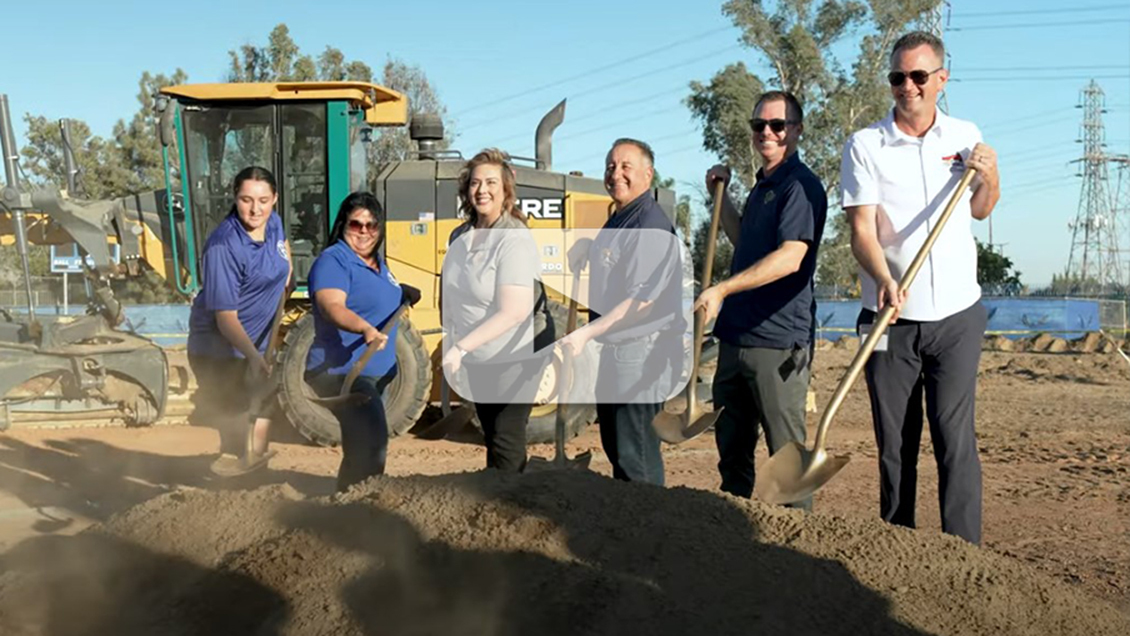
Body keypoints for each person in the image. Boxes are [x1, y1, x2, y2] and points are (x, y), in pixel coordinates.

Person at [841, 31, 1000, 544]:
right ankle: (900, 545)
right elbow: (861, 231)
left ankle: (965, 553)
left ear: (941, 80)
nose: (907, 86)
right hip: (889, 319)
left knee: (955, 440)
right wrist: (884, 278)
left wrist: (991, 176)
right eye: (897, 77)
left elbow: (980, 208)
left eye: (918, 76)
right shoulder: (866, 144)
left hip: (956, 317)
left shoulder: (965, 135)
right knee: (895, 444)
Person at [696, 90, 827, 509]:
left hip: (777, 343)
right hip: (736, 338)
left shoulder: (800, 187)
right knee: (732, 454)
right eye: (759, 126)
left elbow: (791, 258)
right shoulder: (764, 186)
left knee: (786, 459)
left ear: (797, 130)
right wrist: (722, 197)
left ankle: (797, 550)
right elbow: (743, 243)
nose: (767, 133)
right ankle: (735, 534)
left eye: (778, 125)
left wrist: (722, 289)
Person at [559, 138, 684, 486]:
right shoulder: (620, 218)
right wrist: (589, 246)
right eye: (611, 166)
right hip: (616, 352)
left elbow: (640, 302)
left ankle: (649, 531)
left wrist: (586, 333)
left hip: (638, 352)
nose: (616, 174)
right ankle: (631, 530)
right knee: (618, 447)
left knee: (636, 455)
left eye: (626, 166)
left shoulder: (649, 223)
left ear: (648, 173)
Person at [441, 149, 551, 472]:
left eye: (491, 182)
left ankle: (514, 508)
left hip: (518, 351)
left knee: (506, 437)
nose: (482, 190)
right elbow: (449, 295)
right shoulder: (460, 237)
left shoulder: (514, 238)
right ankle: (498, 503)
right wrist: (452, 338)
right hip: (481, 351)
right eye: (475, 183)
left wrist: (462, 347)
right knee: (490, 434)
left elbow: (514, 311)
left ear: (505, 191)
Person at [187, 166, 291, 472]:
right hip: (219, 351)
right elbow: (226, 319)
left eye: (263, 200)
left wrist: (287, 278)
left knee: (265, 405)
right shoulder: (223, 246)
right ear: (236, 198)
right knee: (235, 415)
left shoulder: (273, 222)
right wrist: (253, 356)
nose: (255, 209)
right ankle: (225, 494)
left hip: (254, 345)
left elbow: (283, 250)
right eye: (246, 200)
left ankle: (253, 466)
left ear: (274, 199)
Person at [306, 192, 404, 492]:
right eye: (356, 224)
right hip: (344, 371)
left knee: (364, 445)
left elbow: (374, 295)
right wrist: (365, 328)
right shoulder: (335, 260)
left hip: (372, 373)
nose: (364, 231)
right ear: (343, 224)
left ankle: (349, 502)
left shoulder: (376, 263)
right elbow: (331, 305)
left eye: (372, 225)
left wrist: (404, 294)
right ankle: (355, 511)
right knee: (371, 445)